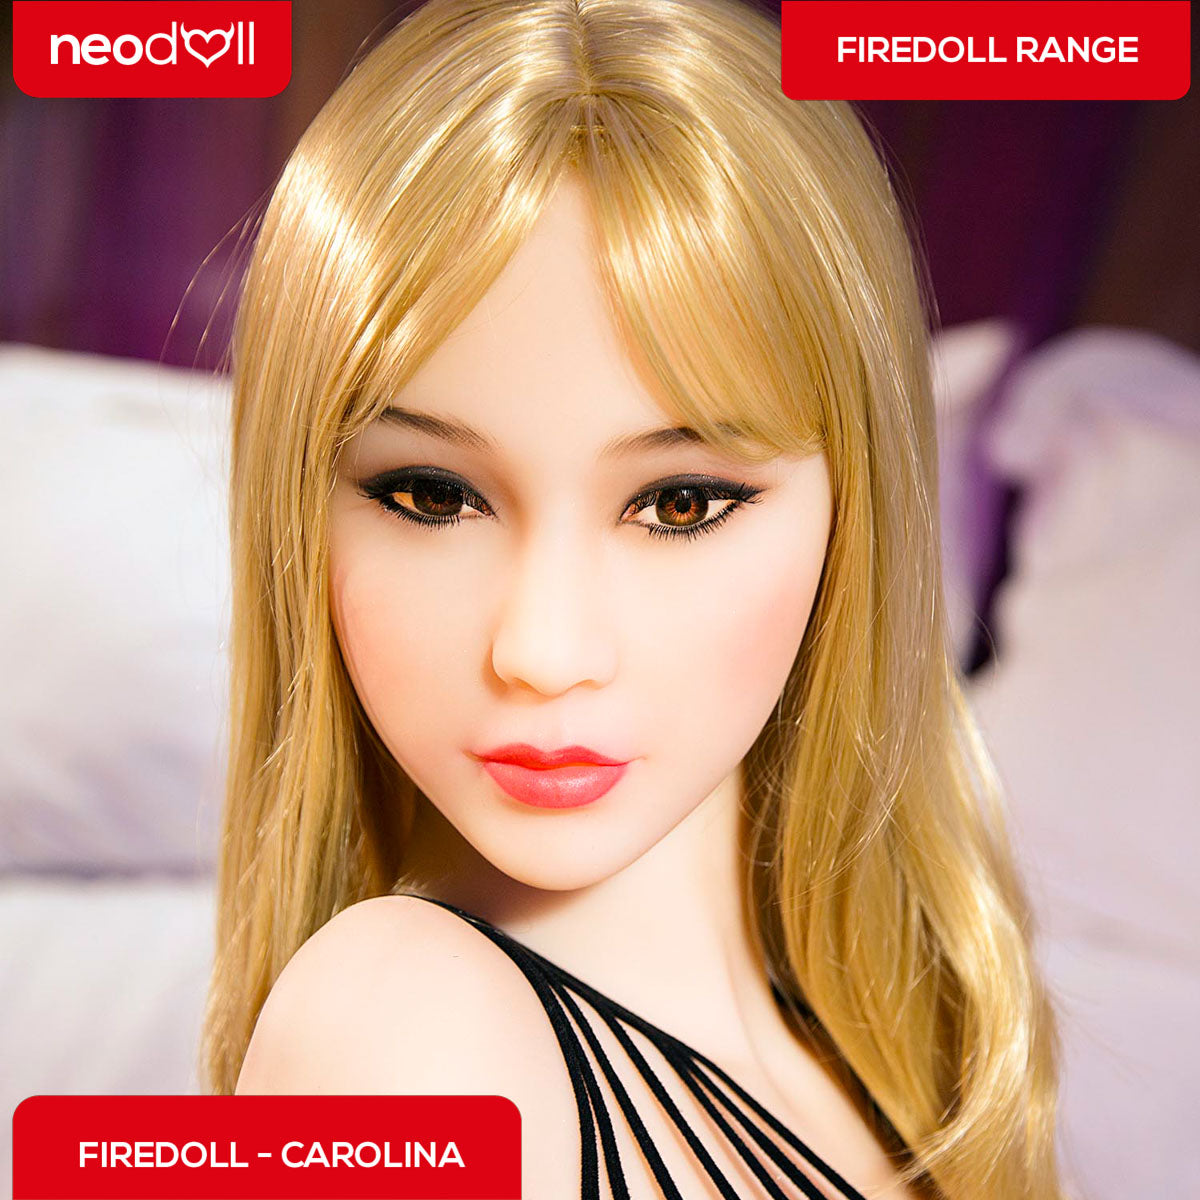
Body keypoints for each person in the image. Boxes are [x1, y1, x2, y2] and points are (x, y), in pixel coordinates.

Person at [204, 1, 1064, 1197]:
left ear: (853, 511)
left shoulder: (907, 1064)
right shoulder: (404, 1040)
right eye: (431, 494)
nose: (544, 650)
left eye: (680, 503)